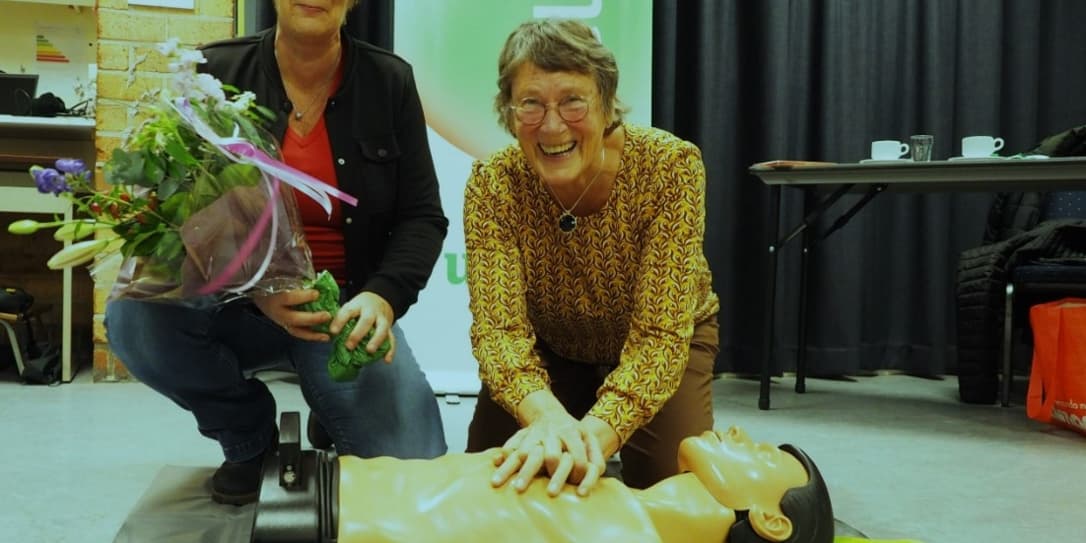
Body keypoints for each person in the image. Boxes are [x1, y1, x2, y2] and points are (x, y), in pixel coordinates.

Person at [104, 0, 449, 505]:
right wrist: (257, 286)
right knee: (135, 318)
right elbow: (178, 215)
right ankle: (247, 437)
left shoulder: (389, 81)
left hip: (340, 312)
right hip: (233, 303)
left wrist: (383, 297)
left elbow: (423, 216)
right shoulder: (215, 71)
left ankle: (332, 405)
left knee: (415, 479)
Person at [462, 18, 721, 495]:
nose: (552, 124)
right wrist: (545, 416)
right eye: (531, 103)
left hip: (661, 346)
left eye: (573, 101)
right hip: (553, 347)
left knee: (673, 494)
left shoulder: (670, 166)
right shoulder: (493, 182)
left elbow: (661, 336)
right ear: (509, 112)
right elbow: (499, 332)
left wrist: (590, 439)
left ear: (606, 103)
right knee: (492, 480)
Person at [332, 427, 833, 543]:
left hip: (328, 522)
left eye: (761, 453)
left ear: (771, 521)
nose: (741, 433)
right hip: (334, 480)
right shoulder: (614, 499)